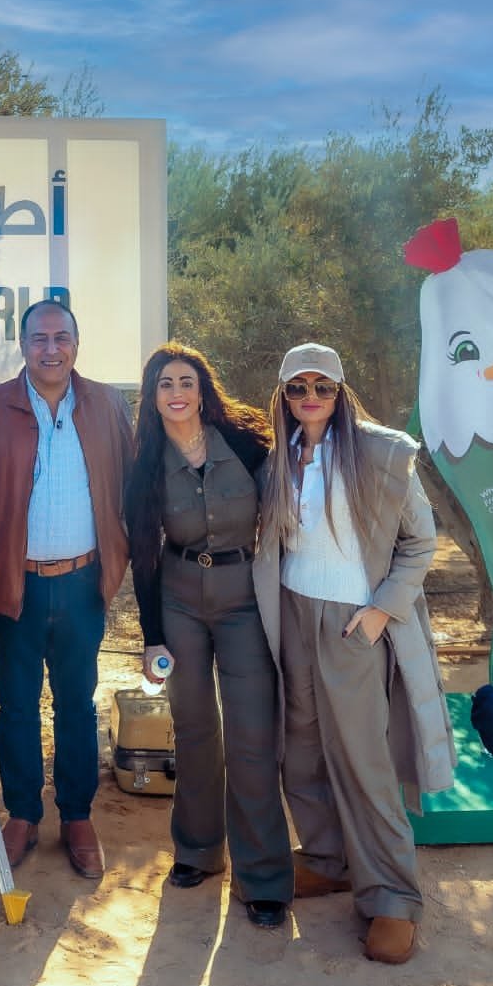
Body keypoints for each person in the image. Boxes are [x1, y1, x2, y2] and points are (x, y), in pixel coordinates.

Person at [254, 342, 456, 964]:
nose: (310, 397)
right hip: (293, 614)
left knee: (364, 759)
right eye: (298, 387)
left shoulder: (382, 452)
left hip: (352, 623)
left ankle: (393, 895)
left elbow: (419, 542)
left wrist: (380, 612)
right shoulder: (280, 456)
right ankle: (327, 859)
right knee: (301, 748)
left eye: (323, 386)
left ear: (340, 391)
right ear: (284, 395)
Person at [0, 301, 133, 880]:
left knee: (77, 704)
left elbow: (133, 488)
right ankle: (23, 815)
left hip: (83, 584)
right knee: (17, 706)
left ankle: (77, 816)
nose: (51, 349)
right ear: (22, 345)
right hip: (14, 584)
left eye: (61, 337)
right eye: (39, 339)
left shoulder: (107, 404)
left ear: (77, 342)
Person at [128, 344, 293, 928]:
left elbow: (289, 502)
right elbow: (143, 555)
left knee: (252, 732)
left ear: (202, 390)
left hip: (244, 595)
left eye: (186, 381)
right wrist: (152, 637)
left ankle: (263, 875)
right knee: (195, 725)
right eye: (164, 383)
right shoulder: (145, 463)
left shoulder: (247, 444)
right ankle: (198, 851)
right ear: (152, 397)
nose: (176, 392)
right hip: (179, 600)